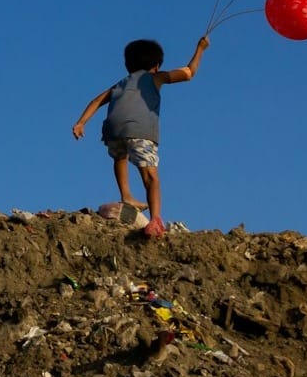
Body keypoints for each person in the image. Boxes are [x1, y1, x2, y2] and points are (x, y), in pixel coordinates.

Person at [71, 36, 208, 239]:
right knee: (150, 177)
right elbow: (189, 72)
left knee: (120, 157)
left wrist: (81, 122)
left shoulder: (119, 84)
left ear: (128, 65)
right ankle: (155, 219)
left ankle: (126, 195)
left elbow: (96, 101)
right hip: (139, 130)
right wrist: (200, 48)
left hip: (113, 130)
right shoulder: (156, 78)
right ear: (157, 65)